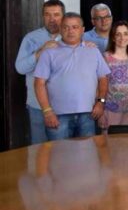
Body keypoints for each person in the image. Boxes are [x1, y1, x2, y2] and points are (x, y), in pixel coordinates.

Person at [33, 12, 110, 140]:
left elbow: (103, 78)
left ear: (82, 30)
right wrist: (47, 111)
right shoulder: (49, 53)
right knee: (59, 156)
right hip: (58, 116)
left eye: (75, 27)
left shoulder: (93, 51)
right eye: (66, 27)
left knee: (87, 156)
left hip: (88, 115)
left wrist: (101, 102)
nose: (70, 31)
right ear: (60, 30)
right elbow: (39, 83)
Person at [15, 0, 65, 144]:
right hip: (37, 107)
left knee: (63, 152)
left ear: (63, 16)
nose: (52, 19)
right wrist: (40, 52)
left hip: (64, 106)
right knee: (39, 153)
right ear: (43, 16)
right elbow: (20, 68)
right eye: (47, 15)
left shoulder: (73, 37)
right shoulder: (31, 38)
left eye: (56, 14)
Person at [100, 21, 128, 128]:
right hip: (110, 110)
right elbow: (99, 86)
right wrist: (101, 109)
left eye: (125, 34)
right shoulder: (105, 57)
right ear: (113, 37)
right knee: (110, 143)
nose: (122, 37)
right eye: (118, 34)